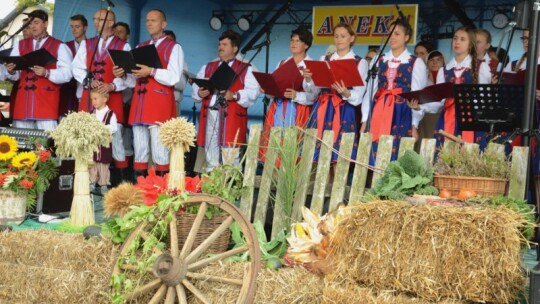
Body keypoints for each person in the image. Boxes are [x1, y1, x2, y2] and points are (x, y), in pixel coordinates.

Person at [115, 9, 183, 177]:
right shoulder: (140, 46)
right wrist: (123, 74)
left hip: (159, 104)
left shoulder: (174, 47)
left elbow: (174, 77)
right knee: (140, 151)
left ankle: (161, 196)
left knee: (160, 151)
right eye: (147, 20)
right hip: (140, 104)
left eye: (153, 20)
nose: (149, 23)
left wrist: (151, 71)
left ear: (163, 24)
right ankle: (142, 194)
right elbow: (133, 80)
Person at [409, 27, 491, 148]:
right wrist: (419, 106)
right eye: (455, 38)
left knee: (469, 158)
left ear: (470, 44)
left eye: (462, 39)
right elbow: (440, 101)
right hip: (448, 120)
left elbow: (485, 100)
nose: (457, 42)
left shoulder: (481, 67)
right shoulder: (445, 70)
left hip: (472, 122)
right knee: (445, 159)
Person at [72, 9, 130, 175]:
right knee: (84, 138)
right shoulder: (87, 43)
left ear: (110, 23)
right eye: (95, 19)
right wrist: (89, 80)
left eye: (99, 19)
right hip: (89, 98)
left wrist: (112, 85)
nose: (95, 22)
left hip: (112, 99)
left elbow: (129, 74)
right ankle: (85, 180)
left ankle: (119, 182)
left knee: (115, 140)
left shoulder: (123, 45)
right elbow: (76, 68)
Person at [192, 29, 260, 172]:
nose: (220, 47)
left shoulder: (245, 69)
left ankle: (231, 191)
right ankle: (211, 190)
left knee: (231, 157)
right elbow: (196, 88)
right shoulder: (208, 67)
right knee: (211, 156)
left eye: (224, 44)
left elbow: (253, 93)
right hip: (210, 114)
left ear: (234, 49)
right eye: (219, 44)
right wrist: (200, 92)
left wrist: (234, 95)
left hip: (231, 116)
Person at [303, 22, 368, 162]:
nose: (339, 39)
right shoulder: (324, 59)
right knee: (315, 154)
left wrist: (346, 93)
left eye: (343, 36)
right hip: (323, 106)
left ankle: (336, 183)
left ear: (352, 38)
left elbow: (359, 96)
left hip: (344, 109)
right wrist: (309, 79)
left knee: (339, 156)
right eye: (336, 36)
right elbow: (314, 90)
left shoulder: (359, 62)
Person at [367, 19, 427, 162]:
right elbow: (370, 91)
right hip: (379, 110)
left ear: (406, 38)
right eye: (389, 34)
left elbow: (417, 95)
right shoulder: (379, 59)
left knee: (399, 154)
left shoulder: (414, 62)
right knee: (376, 152)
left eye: (397, 34)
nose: (392, 37)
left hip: (402, 112)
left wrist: (414, 125)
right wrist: (365, 119)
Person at [4, 9, 73, 131]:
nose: (32, 26)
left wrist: (47, 73)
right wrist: (11, 71)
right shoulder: (20, 45)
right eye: (30, 23)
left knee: (45, 145)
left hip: (46, 103)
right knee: (21, 143)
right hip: (23, 102)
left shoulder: (60, 46)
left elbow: (68, 74)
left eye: (36, 22)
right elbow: (16, 76)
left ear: (45, 24)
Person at [259, 26, 315, 162]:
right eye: (292, 40)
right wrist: (267, 89)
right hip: (278, 106)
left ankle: (290, 181)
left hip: (298, 109)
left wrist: (297, 95)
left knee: (293, 148)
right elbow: (276, 84)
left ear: (306, 45)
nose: (293, 43)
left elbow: (313, 95)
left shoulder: (311, 64)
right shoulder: (283, 62)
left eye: (298, 41)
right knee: (273, 146)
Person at [89, 88, 118, 195]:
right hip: (93, 144)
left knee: (103, 164)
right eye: (92, 99)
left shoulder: (110, 114)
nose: (93, 101)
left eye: (96, 99)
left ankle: (104, 184)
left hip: (104, 144)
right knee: (92, 164)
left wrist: (102, 128)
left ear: (105, 99)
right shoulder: (91, 113)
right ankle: (92, 182)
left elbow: (114, 127)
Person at [60, 14, 88, 118]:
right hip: (67, 91)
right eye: (72, 26)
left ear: (85, 27)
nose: (74, 29)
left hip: (84, 89)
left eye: (77, 26)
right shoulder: (65, 46)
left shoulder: (92, 45)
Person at [164, 29, 189, 116]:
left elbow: (181, 84)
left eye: (169, 41)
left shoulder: (181, 61)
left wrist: (162, 76)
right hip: (155, 102)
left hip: (173, 102)